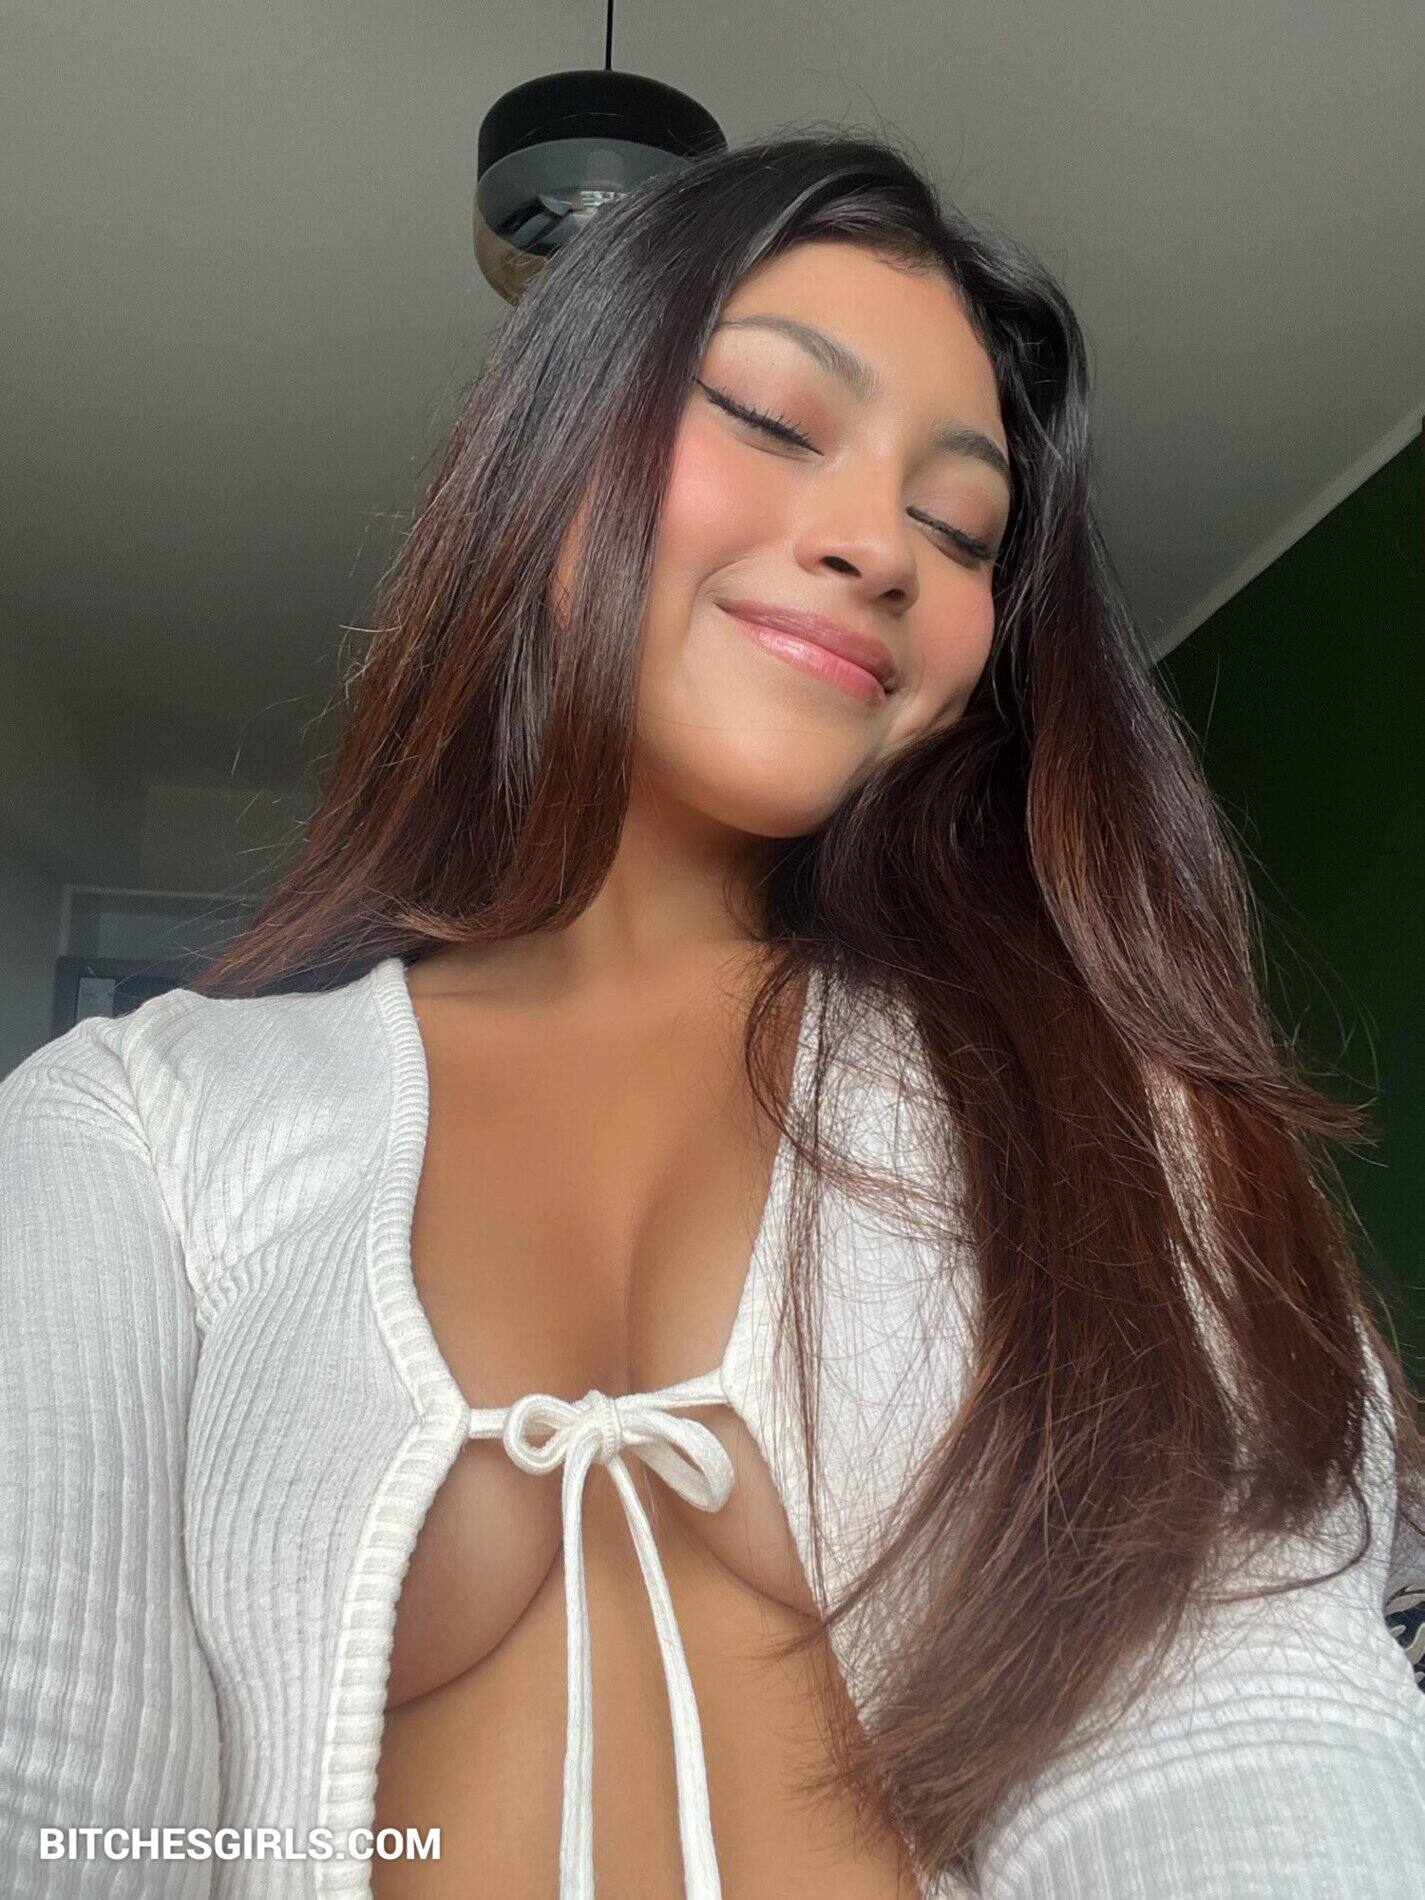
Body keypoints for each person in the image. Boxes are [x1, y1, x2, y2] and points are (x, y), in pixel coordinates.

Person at [2, 132, 1423, 1900]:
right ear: (550, 456)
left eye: (959, 527)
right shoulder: (143, 1121)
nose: (878, 547)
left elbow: (1246, 1751)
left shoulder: (1099, 1116)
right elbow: (52, 1788)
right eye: (769, 417)